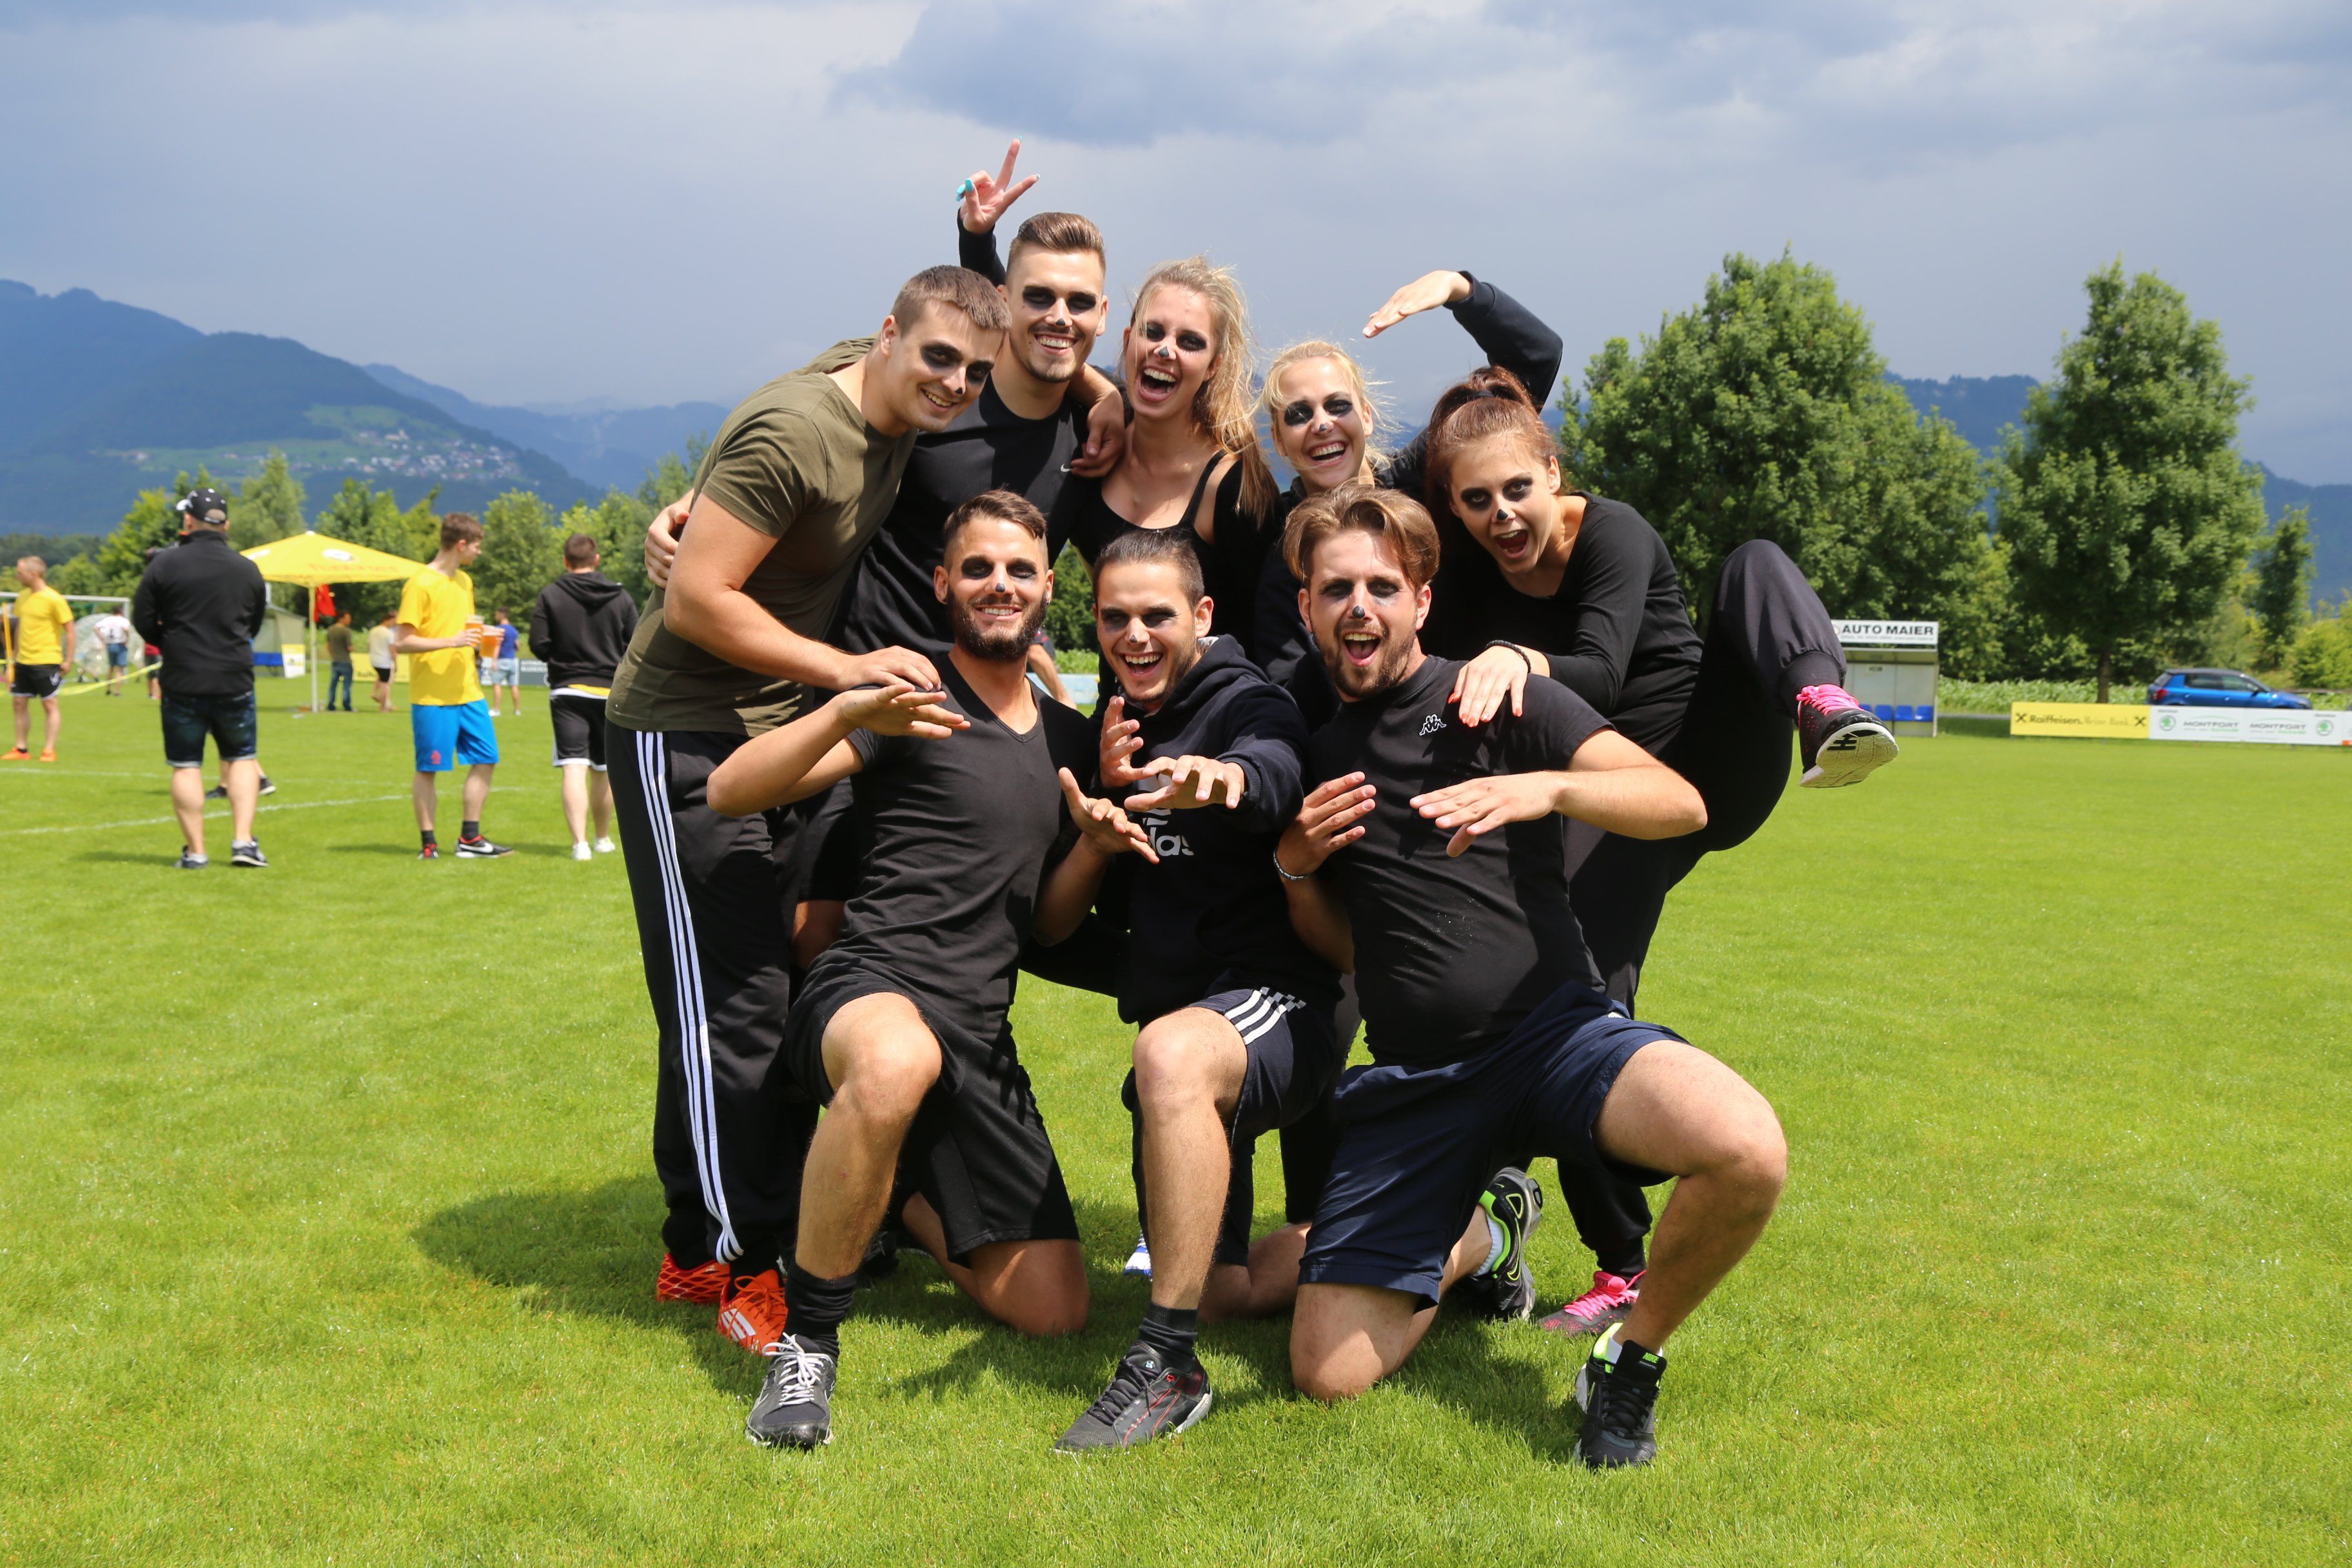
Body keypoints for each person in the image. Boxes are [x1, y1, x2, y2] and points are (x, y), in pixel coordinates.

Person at [1271, 482, 1787, 1469]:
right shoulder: (1314, 750)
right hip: (1419, 1080)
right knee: (1325, 1373)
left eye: (1382, 586)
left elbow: (1679, 804)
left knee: (1746, 1148)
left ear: (1423, 600)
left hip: (1557, 1037)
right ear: (1307, 607)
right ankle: (1487, 1233)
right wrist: (1295, 866)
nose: (1359, 607)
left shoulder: (1500, 697)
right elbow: (1345, 950)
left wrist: (1546, 785)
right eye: (1336, 589)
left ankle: (1629, 1359)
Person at [1418, 368, 1892, 1335]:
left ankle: (1822, 701)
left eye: (1518, 488)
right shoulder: (1466, 572)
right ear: (1453, 506)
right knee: (1580, 1002)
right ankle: (1618, 1263)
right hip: (1609, 801)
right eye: (1476, 499)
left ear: (1555, 472)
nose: (1502, 514)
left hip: (1707, 764)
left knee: (1752, 559)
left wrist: (1519, 657)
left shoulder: (1616, 534)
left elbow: (1597, 670)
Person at [603, 265, 1006, 1342]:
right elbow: (696, 596)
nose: (955, 383)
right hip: (683, 733)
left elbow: (989, 336)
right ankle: (742, 1264)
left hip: (775, 738)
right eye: (938, 358)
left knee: (761, 993)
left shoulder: (885, 393)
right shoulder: (796, 429)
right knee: (725, 1009)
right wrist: (843, 674)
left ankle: (696, 1244)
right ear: (887, 335)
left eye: (974, 371)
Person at [701, 491, 1133, 1451]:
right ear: (943, 584)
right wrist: (846, 709)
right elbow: (730, 789)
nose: (999, 584)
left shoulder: (1072, 741)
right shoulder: (909, 701)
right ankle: (808, 1346)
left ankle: (883, 1187)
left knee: (1055, 1308)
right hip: (870, 990)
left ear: (1048, 588)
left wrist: (1094, 850)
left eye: (1018, 569)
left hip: (978, 1029)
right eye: (977, 568)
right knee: (897, 1062)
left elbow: (1048, 927)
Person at [1046, 527, 1343, 1451]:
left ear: (1203, 614)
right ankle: (1456, 1228)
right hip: (1190, 1013)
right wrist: (1099, 823)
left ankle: (1166, 1365)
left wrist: (1227, 780)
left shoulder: (1245, 698)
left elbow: (1275, 765)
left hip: (1281, 1000)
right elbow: (1068, 921)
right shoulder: (1122, 720)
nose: (1134, 636)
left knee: (1167, 1054)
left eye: (1157, 615)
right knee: (1220, 1288)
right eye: (1114, 618)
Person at [1250, 268, 1565, 729]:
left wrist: (1459, 290)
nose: (1322, 423)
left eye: (1337, 405)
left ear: (1367, 417)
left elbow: (1534, 361)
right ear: (1279, 440)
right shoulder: (1283, 555)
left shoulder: (1424, 478)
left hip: (1485, 719)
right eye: (1299, 414)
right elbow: (1286, 690)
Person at [128, 488, 271, 868]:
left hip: (183, 677)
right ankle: (243, 843)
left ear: (188, 520)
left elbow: (142, 619)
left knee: (186, 764)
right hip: (233, 676)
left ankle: (196, 852)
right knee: (241, 758)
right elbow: (254, 623)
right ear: (226, 524)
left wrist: (171, 642)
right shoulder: (247, 568)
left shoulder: (164, 565)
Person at [394, 513, 511, 860]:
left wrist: (484, 636)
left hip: (469, 691)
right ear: (461, 545)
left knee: (487, 758)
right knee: (429, 769)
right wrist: (453, 641)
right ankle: (429, 844)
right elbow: (403, 642)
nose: (479, 552)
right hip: (432, 695)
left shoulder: (464, 582)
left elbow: (463, 630)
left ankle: (470, 839)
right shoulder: (419, 584)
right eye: (477, 546)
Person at [529, 533, 638, 861]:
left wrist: (563, 659)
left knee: (573, 767)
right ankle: (602, 839)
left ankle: (580, 845)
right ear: (597, 559)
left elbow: (538, 643)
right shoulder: (620, 596)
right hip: (610, 693)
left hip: (568, 690)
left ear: (566, 561)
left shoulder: (551, 594)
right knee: (604, 770)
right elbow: (635, 642)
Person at [5, 556, 75, 762]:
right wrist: (12, 660)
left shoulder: (54, 599)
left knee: (50, 705)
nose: (17, 576)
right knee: (19, 703)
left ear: (33, 574)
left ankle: (49, 750)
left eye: (20, 573)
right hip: (23, 661)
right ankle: (21, 749)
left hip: (46, 660)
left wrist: (68, 660)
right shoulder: (22, 597)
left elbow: (70, 631)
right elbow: (20, 629)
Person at [92, 606, 135, 696]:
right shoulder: (123, 620)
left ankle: (108, 689)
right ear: (121, 612)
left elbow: (95, 628)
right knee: (119, 670)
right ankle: (117, 692)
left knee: (111, 668)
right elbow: (126, 629)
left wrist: (102, 637)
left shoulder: (107, 619)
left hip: (110, 645)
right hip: (120, 644)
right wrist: (127, 638)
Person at [488, 609, 523, 716]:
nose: (495, 616)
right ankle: (517, 710)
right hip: (512, 660)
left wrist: (494, 661)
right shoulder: (514, 630)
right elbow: (518, 646)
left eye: (496, 614)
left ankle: (497, 709)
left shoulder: (499, 629)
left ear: (500, 615)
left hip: (501, 660)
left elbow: (497, 645)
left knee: (497, 684)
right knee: (514, 686)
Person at [323, 612, 356, 712]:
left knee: (333, 684)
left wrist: (333, 655)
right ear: (341, 618)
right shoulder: (346, 631)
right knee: (347, 685)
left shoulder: (331, 629)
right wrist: (354, 649)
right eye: (348, 618)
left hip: (335, 660)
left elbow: (329, 646)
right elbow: (349, 647)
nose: (349, 620)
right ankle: (347, 704)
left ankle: (331, 703)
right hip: (345, 661)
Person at [368, 611, 397, 711]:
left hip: (374, 659)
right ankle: (383, 707)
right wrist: (395, 662)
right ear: (387, 620)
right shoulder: (389, 633)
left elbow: (369, 645)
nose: (394, 624)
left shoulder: (373, 630)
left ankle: (374, 693)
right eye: (393, 621)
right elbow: (392, 649)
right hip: (385, 661)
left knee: (381, 678)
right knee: (385, 684)